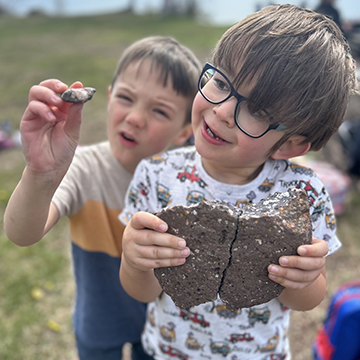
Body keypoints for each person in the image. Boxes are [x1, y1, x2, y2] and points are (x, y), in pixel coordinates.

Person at [118, 5, 357, 360]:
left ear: (291, 144)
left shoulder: (305, 194)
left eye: (258, 111)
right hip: (166, 352)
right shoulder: (157, 175)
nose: (223, 111)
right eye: (221, 82)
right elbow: (142, 292)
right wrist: (135, 262)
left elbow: (307, 301)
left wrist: (303, 279)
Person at [3, 36, 201, 360]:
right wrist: (40, 174)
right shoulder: (83, 167)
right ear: (109, 99)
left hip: (161, 324)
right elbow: (21, 233)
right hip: (97, 322)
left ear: (184, 132)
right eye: (126, 97)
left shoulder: (184, 185)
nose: (135, 117)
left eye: (160, 111)